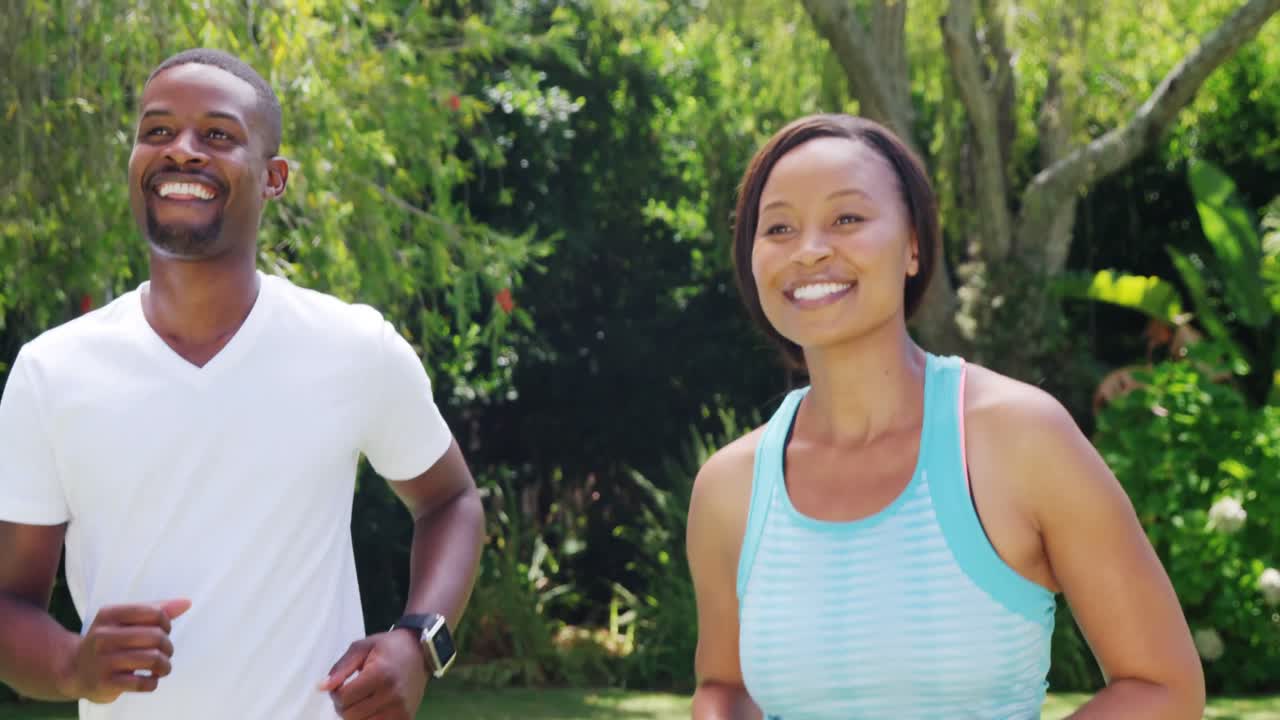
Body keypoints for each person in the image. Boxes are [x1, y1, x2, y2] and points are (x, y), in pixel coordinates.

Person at [0, 49, 484, 720]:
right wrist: (69, 664)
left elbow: (452, 500)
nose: (182, 151)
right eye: (157, 130)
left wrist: (419, 642)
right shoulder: (52, 373)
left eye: (218, 135)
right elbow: (10, 605)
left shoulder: (353, 347)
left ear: (274, 177)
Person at [686, 114, 1204, 719]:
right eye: (778, 227)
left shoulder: (1020, 438)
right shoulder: (730, 488)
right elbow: (725, 688)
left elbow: (1163, 688)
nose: (810, 250)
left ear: (913, 246)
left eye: (847, 218)